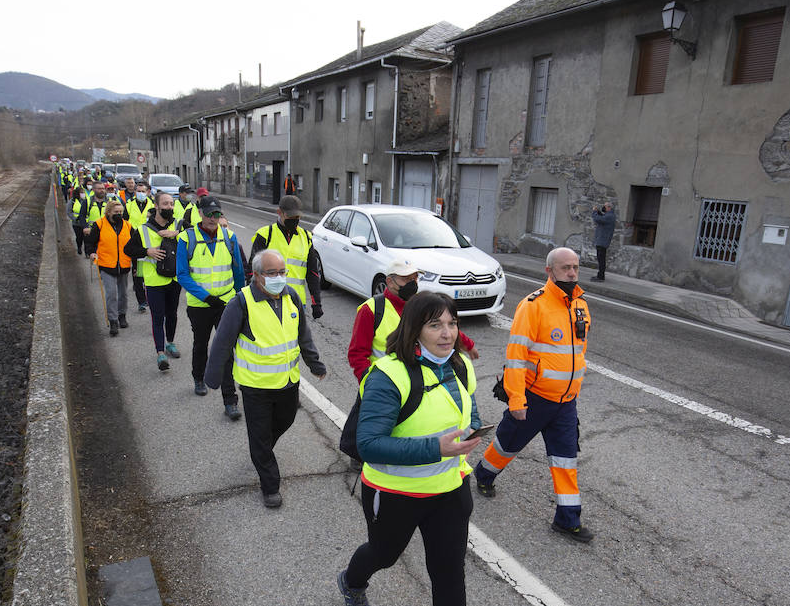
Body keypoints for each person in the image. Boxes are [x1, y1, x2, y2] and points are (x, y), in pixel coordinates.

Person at [336, 291, 485, 606]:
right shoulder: (389, 374)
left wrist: (473, 430)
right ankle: (352, 581)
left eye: (452, 324)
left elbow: (468, 411)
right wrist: (435, 449)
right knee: (383, 554)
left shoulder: (460, 366)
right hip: (394, 493)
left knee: (449, 574)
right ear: (415, 328)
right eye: (435, 324)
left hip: (448, 492)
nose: (447, 333)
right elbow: (368, 444)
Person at [475, 247, 594, 542]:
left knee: (566, 460)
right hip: (534, 398)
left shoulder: (580, 305)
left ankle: (567, 520)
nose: (571, 273)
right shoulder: (533, 306)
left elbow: (579, 350)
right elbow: (516, 356)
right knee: (506, 446)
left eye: (575, 267)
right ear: (549, 270)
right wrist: (517, 399)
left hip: (566, 402)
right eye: (565, 267)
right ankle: (484, 474)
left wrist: (574, 385)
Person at [205, 249, 327, 508]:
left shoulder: (291, 296)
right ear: (258, 275)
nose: (279, 277)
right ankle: (270, 486)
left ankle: (260, 451)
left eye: (282, 272)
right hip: (255, 386)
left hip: (287, 381)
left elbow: (303, 335)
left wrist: (315, 363)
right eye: (272, 273)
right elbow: (222, 342)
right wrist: (213, 377)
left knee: (285, 420)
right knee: (260, 436)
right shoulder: (241, 302)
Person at [348, 259, 480, 381]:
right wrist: (369, 382)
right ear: (389, 281)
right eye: (406, 279)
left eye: (415, 278)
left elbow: (443, 326)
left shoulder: (421, 304)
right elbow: (357, 354)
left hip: (418, 381)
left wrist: (469, 345)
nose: (412, 283)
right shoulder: (370, 310)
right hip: (385, 382)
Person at [177, 196, 246, 413]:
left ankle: (230, 400)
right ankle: (199, 378)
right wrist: (206, 297)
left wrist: (239, 297)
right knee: (201, 344)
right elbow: (182, 275)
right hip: (199, 305)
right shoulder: (186, 239)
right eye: (209, 214)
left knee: (226, 350)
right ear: (200, 213)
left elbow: (238, 272)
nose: (213, 218)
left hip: (226, 303)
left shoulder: (230, 237)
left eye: (217, 214)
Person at [124, 191, 184, 371]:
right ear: (156, 206)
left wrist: (177, 233)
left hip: (174, 278)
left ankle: (170, 343)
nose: (169, 207)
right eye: (165, 204)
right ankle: (160, 353)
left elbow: (193, 238)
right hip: (154, 281)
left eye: (171, 204)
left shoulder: (179, 225)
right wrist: (146, 251)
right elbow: (129, 250)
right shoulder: (143, 229)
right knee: (158, 317)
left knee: (172, 314)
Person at [250, 195, 323, 318]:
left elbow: (312, 273)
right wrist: (252, 299)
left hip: (296, 302)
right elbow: (252, 272)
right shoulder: (265, 235)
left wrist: (316, 303)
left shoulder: (306, 238)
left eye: (297, 217)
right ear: (280, 213)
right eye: (291, 217)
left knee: (295, 337)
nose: (294, 220)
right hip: (268, 300)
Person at [84, 197, 133, 336]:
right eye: (116, 212)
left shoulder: (128, 226)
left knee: (123, 293)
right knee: (111, 293)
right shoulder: (99, 225)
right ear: (108, 212)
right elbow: (90, 242)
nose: (119, 214)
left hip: (123, 264)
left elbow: (134, 243)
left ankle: (122, 315)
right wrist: (92, 252)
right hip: (106, 265)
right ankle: (113, 321)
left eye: (120, 212)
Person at [125, 182, 154, 313]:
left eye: (143, 191)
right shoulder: (129, 204)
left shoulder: (153, 205)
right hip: (135, 241)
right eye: (138, 191)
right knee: (137, 273)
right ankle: (141, 301)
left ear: (148, 192)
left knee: (149, 272)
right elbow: (124, 222)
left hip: (150, 242)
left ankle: (151, 297)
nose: (140, 193)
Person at [70, 180, 103, 255]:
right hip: (92, 231)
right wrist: (85, 227)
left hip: (105, 230)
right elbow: (82, 215)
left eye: (103, 188)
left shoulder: (109, 201)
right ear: (94, 190)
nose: (102, 190)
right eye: (99, 188)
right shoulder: (87, 201)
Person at [591, 202, 616, 281]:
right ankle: (600, 275)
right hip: (602, 241)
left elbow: (598, 219)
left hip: (602, 241)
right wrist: (598, 212)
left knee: (601, 259)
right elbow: (602, 217)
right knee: (601, 258)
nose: (603, 208)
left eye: (604, 206)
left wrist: (594, 212)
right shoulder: (609, 215)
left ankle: (601, 276)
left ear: (609, 208)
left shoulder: (609, 216)